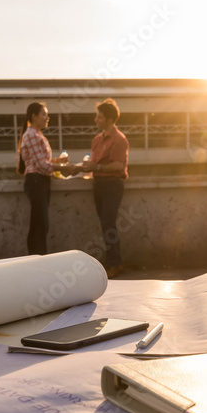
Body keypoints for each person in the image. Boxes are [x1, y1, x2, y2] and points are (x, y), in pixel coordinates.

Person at [80, 98, 129, 279]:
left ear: (109, 119)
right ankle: (113, 262)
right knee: (105, 224)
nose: (96, 120)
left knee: (109, 223)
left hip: (112, 184)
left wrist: (97, 168)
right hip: (98, 184)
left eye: (99, 117)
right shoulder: (97, 140)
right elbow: (94, 164)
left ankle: (115, 263)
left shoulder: (119, 139)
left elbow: (117, 166)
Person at [16, 101, 70, 255]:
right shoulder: (32, 135)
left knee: (38, 223)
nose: (47, 117)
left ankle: (36, 258)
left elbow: (40, 162)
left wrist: (58, 162)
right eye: (44, 114)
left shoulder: (36, 134)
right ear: (34, 116)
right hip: (37, 180)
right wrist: (65, 168)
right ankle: (38, 258)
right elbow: (41, 165)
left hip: (40, 180)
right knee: (41, 225)